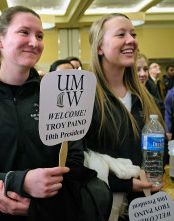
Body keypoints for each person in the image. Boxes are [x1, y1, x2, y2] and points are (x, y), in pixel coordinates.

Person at [0, 6, 84, 221]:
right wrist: (20, 182)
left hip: (50, 211)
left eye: (39, 35)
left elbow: (75, 159)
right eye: (24, 32)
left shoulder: (57, 94)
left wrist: (40, 207)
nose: (34, 42)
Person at [86, 13, 165, 220]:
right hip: (103, 208)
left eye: (133, 34)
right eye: (121, 34)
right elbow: (75, 165)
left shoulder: (146, 97)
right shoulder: (84, 99)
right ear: (99, 47)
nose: (131, 40)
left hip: (147, 204)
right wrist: (126, 183)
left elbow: (158, 150)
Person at [136, 53, 165, 117]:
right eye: (137, 70)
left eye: (145, 69)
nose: (143, 74)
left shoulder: (151, 86)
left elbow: (161, 109)